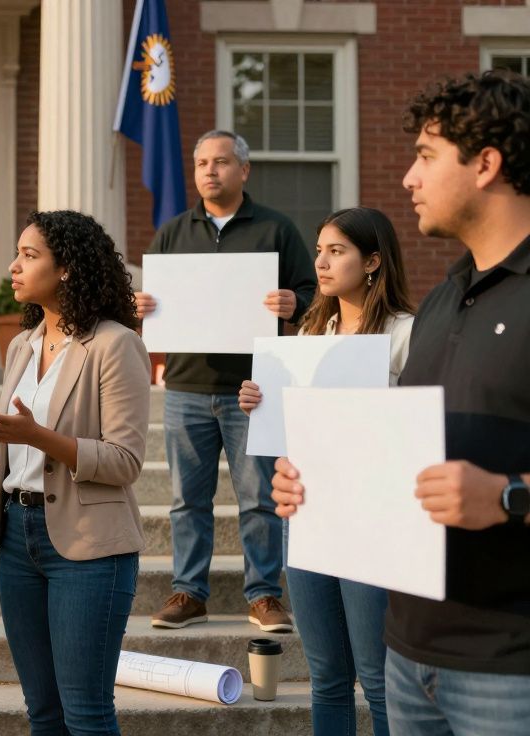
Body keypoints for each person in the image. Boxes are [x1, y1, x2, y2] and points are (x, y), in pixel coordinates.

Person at [274, 70, 530, 736]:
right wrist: (317, 481)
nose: (409, 179)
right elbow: (402, 455)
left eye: (424, 156)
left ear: (485, 163)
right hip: (410, 656)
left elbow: (499, 489)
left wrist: (510, 497)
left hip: (509, 669)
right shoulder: (444, 300)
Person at [0, 210, 149, 735]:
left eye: (29, 255)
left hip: (88, 547)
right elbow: (13, 454)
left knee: (87, 713)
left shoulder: (114, 344)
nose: (13, 266)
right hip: (19, 541)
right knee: (42, 712)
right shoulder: (21, 346)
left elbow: (124, 461)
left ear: (66, 268)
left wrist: (38, 437)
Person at [238, 207, 415, 735]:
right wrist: (262, 401)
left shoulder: (407, 333)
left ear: (373, 262)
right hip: (309, 512)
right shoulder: (316, 328)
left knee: (377, 676)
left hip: (370, 516)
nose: (320, 261)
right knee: (327, 677)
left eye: (337, 251)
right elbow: (296, 426)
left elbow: (421, 425)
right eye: (319, 250)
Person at [136, 130, 317, 632]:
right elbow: (152, 299)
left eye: (220, 162)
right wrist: (142, 306)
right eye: (200, 163)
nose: (209, 171)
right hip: (187, 387)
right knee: (186, 500)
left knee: (259, 498)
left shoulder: (276, 230)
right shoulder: (174, 232)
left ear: (244, 170)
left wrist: (293, 303)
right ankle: (189, 593)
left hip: (253, 389)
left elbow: (311, 291)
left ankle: (263, 596)